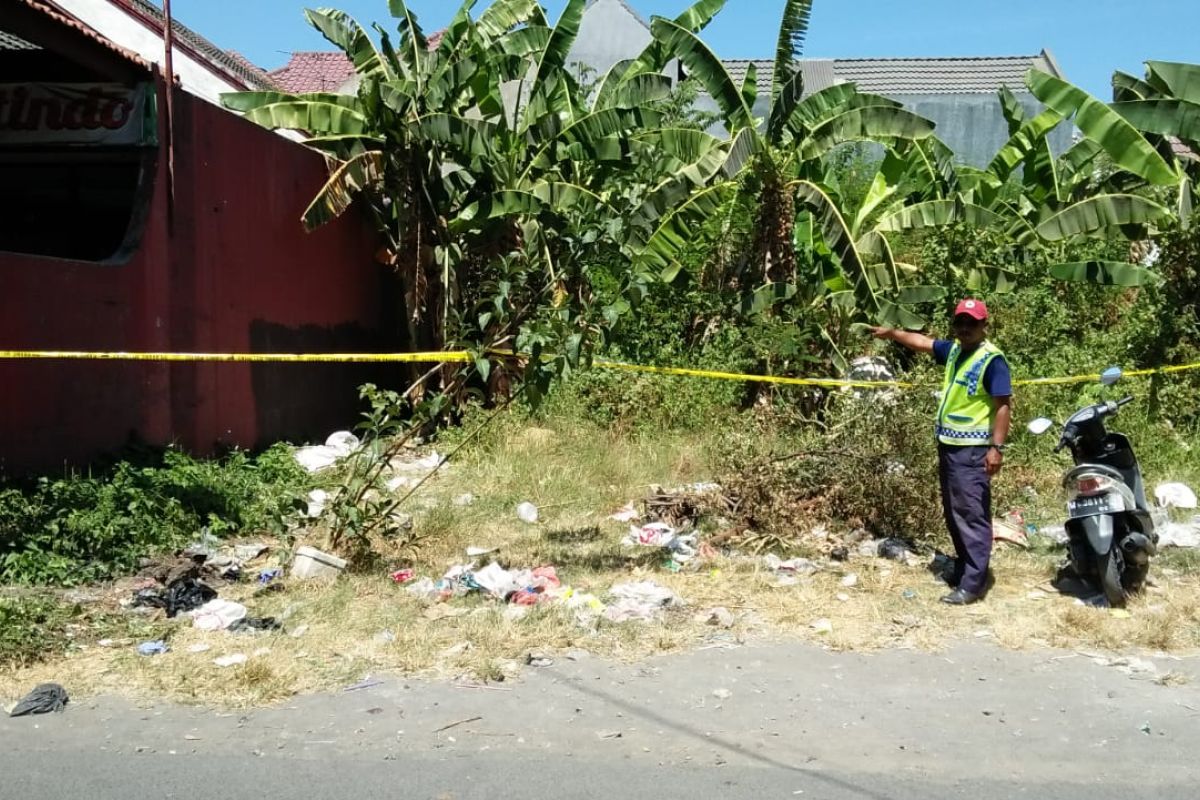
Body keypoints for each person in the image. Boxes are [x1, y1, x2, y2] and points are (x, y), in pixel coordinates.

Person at [870, 299, 1013, 605]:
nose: (965, 328)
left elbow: (1003, 407)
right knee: (954, 512)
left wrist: (996, 449)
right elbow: (922, 342)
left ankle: (973, 584)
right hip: (950, 447)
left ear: (984, 326)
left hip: (973, 450)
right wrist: (892, 333)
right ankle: (965, 570)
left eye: (972, 323)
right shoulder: (955, 352)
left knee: (971, 514)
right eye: (960, 322)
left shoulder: (992, 360)